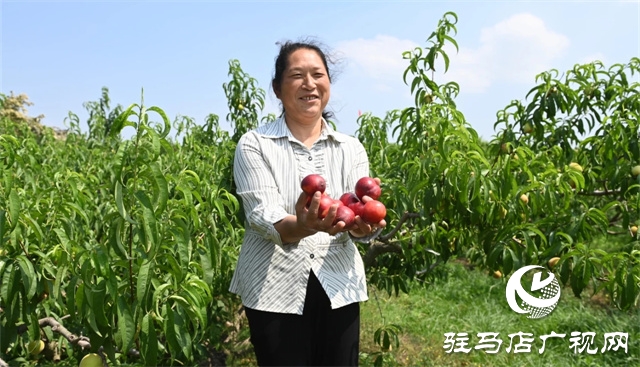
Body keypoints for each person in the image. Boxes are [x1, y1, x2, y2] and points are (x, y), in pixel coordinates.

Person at [229, 39, 386, 367]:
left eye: (318, 74)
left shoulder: (350, 148)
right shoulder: (255, 144)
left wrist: (363, 227)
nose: (309, 83)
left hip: (338, 284)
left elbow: (357, 208)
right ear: (277, 88)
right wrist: (301, 225)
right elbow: (262, 215)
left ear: (328, 83)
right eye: (297, 75)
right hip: (273, 288)